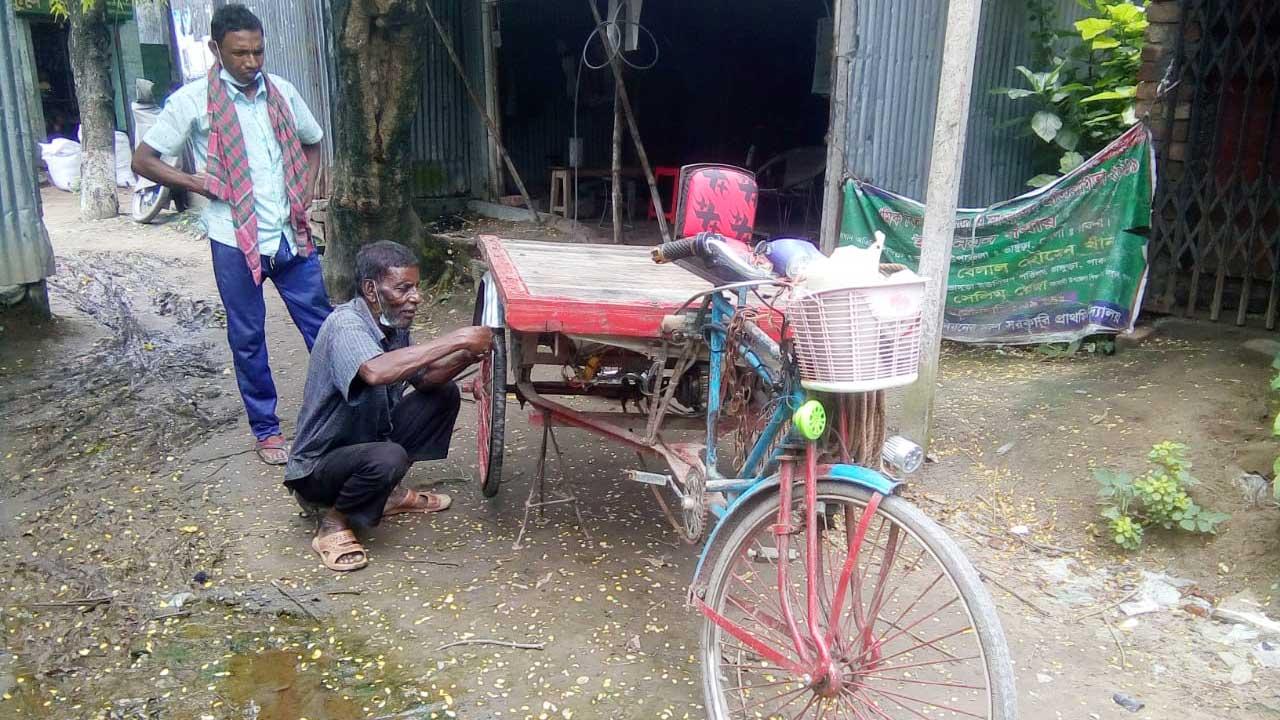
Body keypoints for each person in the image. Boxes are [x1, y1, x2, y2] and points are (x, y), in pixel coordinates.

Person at [132, 4, 331, 465]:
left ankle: (339, 413)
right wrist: (200, 183)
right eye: (240, 53)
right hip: (232, 238)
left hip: (289, 235)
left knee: (324, 329)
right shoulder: (191, 102)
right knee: (247, 336)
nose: (252, 62)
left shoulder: (281, 92)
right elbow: (143, 160)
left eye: (259, 52)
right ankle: (266, 431)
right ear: (215, 50)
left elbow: (312, 139)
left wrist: (305, 186)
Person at [284, 241, 492, 572]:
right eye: (404, 288)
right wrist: (457, 339)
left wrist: (468, 354)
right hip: (318, 468)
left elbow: (425, 380)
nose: (416, 297)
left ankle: (387, 494)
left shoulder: (391, 325)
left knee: (444, 395)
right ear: (371, 289)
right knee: (387, 456)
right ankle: (332, 523)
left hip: (363, 446)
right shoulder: (346, 325)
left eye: (416, 287)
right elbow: (376, 371)